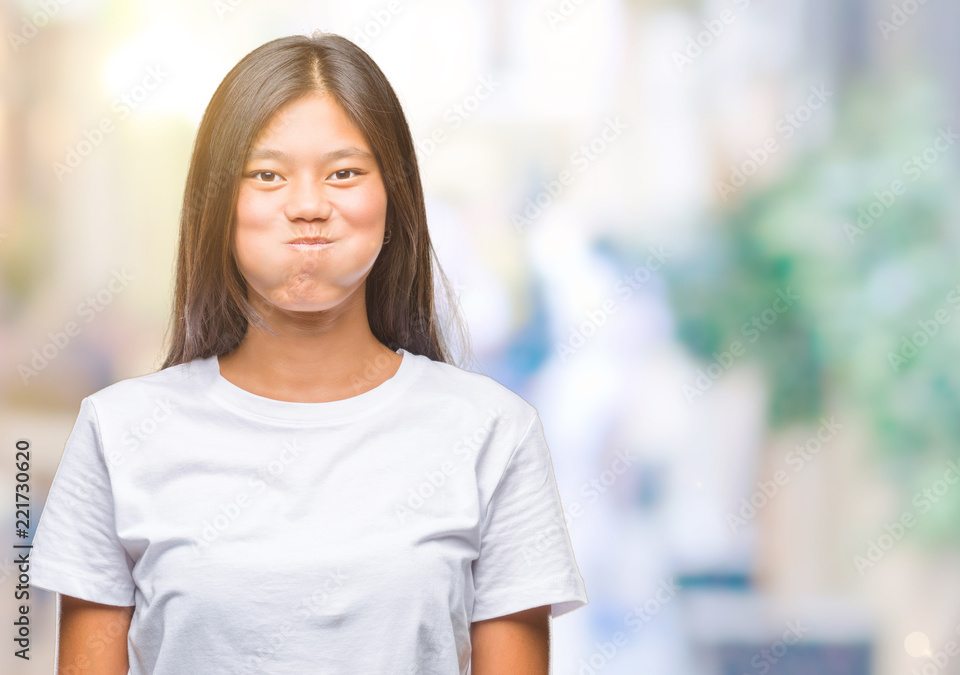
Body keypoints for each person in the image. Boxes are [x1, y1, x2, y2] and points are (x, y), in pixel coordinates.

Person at [28, 31, 588, 674]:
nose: (308, 206)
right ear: (218, 202)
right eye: (267, 175)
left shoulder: (495, 433)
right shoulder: (117, 431)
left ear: (394, 197)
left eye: (344, 173)